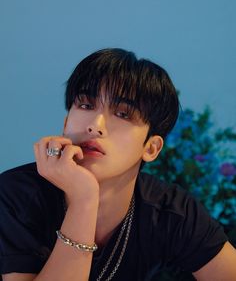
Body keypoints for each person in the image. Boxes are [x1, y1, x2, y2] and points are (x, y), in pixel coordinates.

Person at [0, 48, 236, 281]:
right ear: (65, 124)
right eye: (85, 105)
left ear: (150, 148)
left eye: (123, 114)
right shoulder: (16, 195)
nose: (95, 125)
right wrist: (84, 199)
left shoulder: (170, 210)